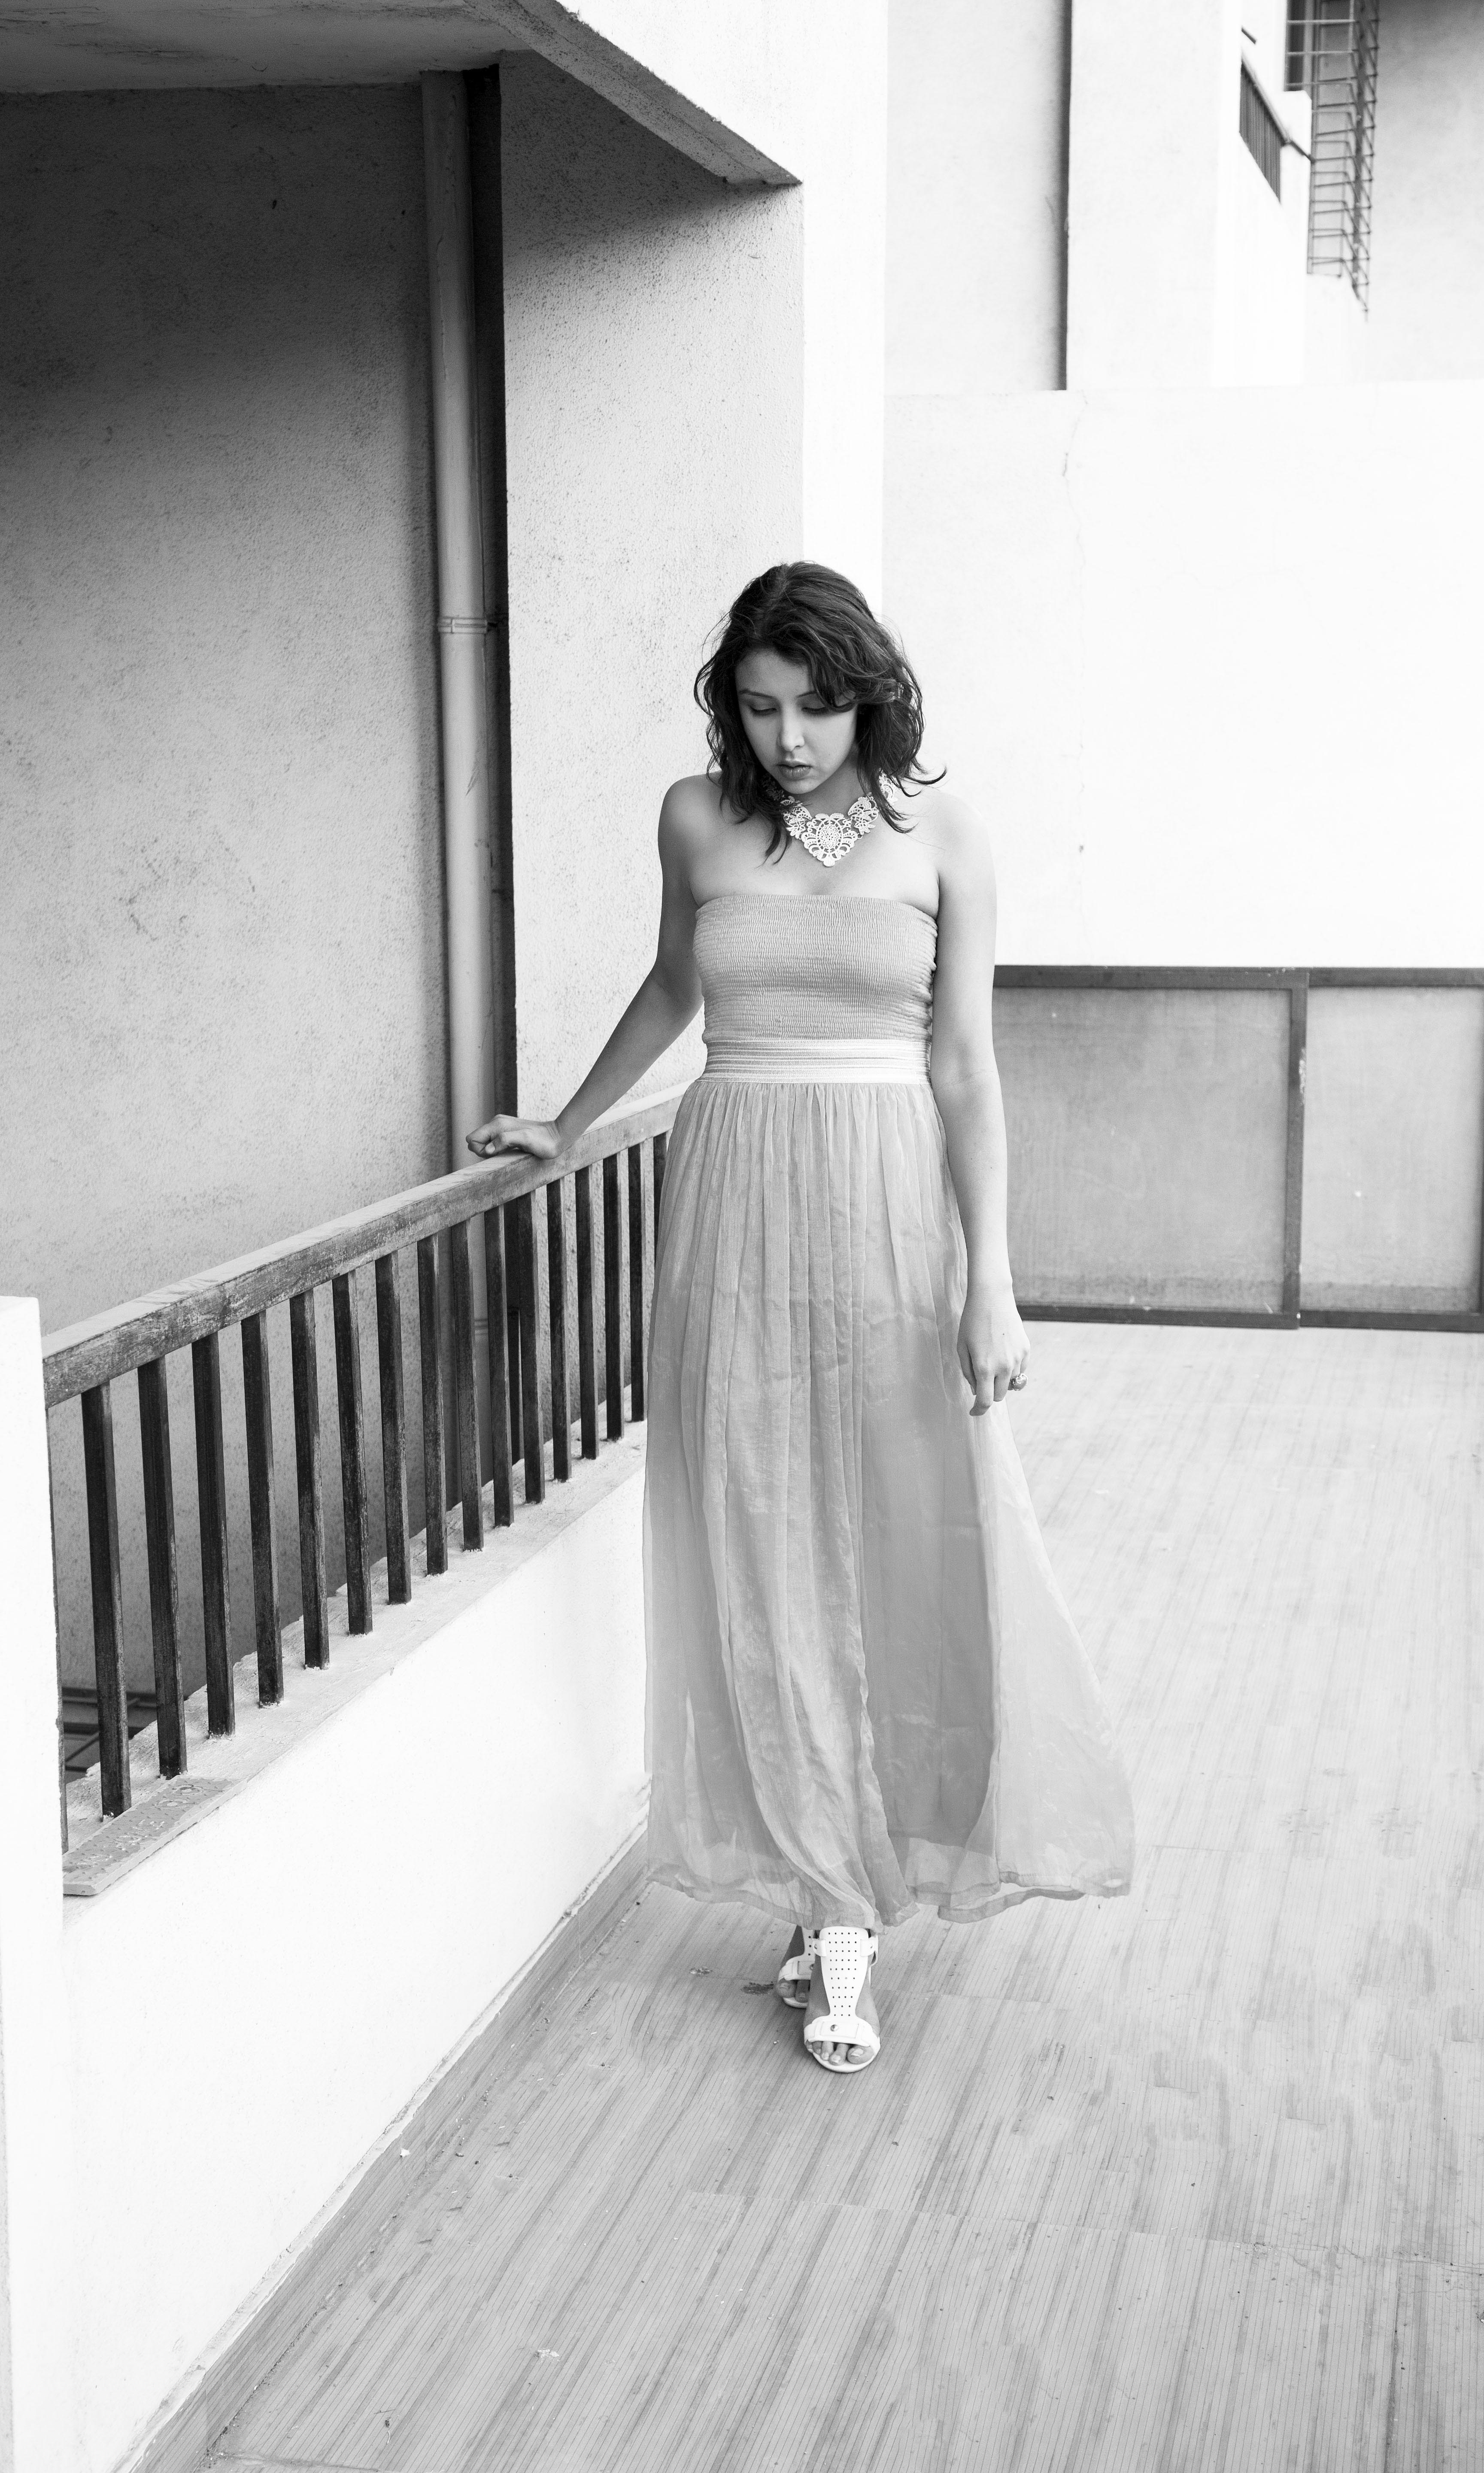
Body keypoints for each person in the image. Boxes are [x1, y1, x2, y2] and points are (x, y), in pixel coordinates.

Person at [467, 562, 1134, 2077]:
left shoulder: (943, 835)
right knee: (758, 1530)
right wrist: (566, 1126)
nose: (788, 738)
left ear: (867, 697)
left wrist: (990, 1281)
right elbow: (669, 991)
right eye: (760, 707)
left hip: (889, 1203)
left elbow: (965, 1069)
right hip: (734, 1201)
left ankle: (852, 1876)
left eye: (816, 707)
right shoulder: (694, 819)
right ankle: (829, 1895)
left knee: (900, 1531)